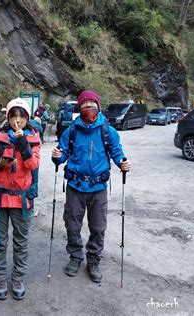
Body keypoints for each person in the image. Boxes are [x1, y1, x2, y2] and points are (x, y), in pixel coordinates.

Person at [51, 90, 131, 283]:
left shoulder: (107, 131)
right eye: (84, 104)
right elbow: (62, 154)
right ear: (79, 108)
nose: (88, 107)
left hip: (98, 188)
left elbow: (116, 151)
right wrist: (56, 156)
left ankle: (93, 260)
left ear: (98, 106)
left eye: (91, 103)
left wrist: (122, 163)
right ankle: (75, 257)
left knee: (98, 227)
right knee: (72, 224)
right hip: (75, 187)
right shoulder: (71, 131)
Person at [0, 98, 41, 300]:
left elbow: (32, 165)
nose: (17, 121)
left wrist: (23, 142)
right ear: (7, 117)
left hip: (21, 200)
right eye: (13, 116)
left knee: (21, 241)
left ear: (27, 118)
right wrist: (0, 163)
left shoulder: (34, 139)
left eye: (21, 117)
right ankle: (0, 277)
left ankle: (17, 277)